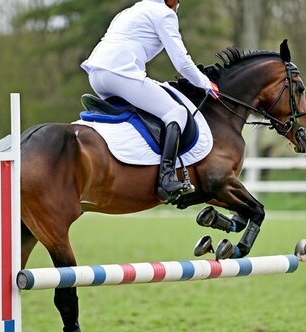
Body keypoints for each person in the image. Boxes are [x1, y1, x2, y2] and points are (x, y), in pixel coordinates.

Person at [81, 0, 219, 202]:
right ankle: (166, 179)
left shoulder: (131, 10)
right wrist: (206, 83)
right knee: (176, 113)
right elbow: (182, 62)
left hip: (97, 77)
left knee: (149, 110)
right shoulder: (164, 13)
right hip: (121, 74)